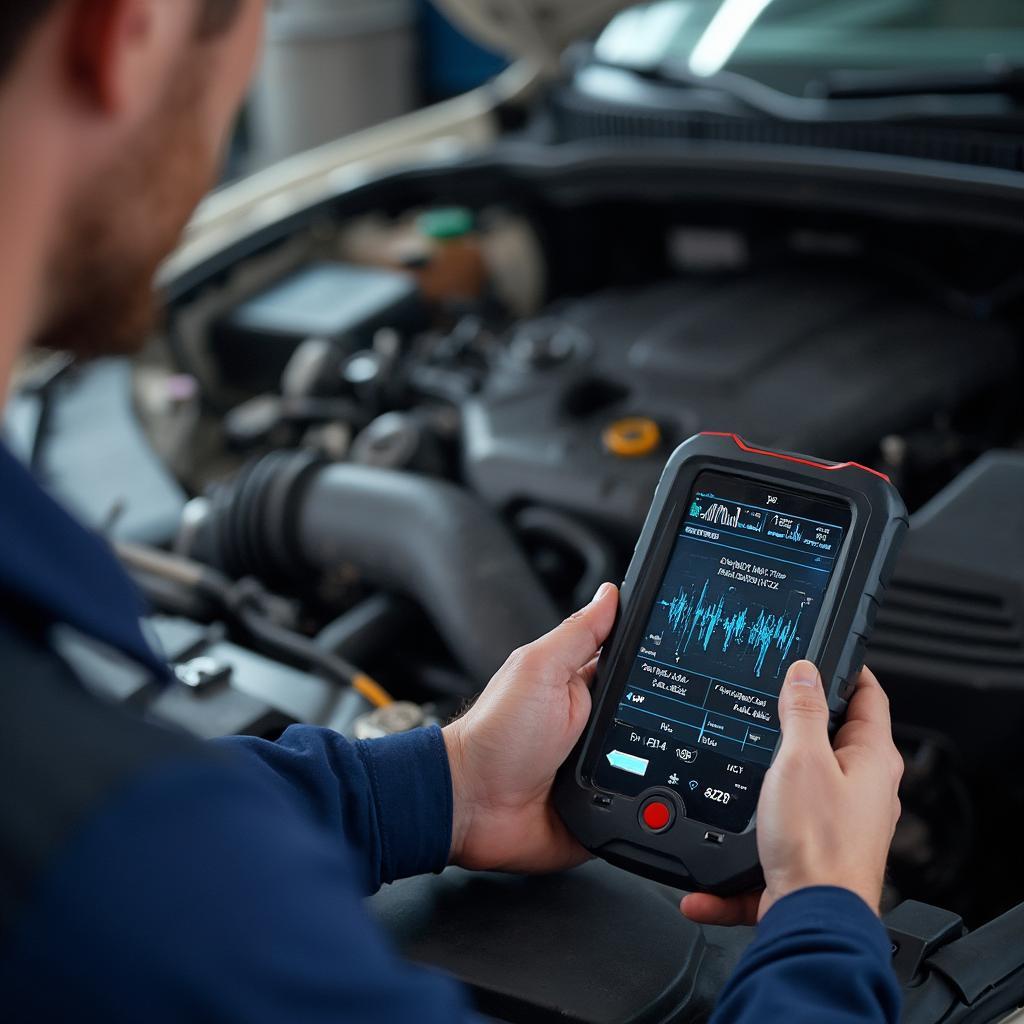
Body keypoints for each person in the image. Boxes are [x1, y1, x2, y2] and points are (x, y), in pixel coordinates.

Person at [0, 3, 904, 1021]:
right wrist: (826, 908)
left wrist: (448, 784)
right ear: (125, 33)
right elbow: (135, 856)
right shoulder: (124, 890)